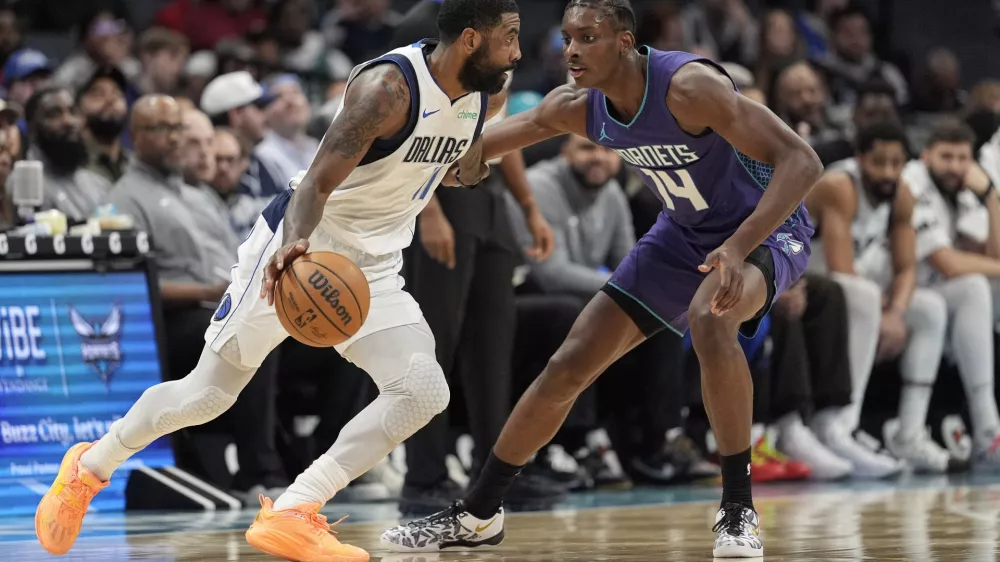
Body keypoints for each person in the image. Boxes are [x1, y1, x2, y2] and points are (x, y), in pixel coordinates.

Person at [35, 1, 521, 561]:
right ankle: (88, 467)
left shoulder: (489, 90)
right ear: (469, 39)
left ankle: (294, 510)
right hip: (305, 246)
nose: (518, 51)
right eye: (508, 37)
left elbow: (458, 154)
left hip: (377, 265)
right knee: (209, 395)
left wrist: (470, 161)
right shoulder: (389, 89)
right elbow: (314, 184)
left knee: (422, 392)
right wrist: (292, 247)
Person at [381, 0, 822, 557]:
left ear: (623, 42)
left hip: (763, 230)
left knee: (712, 321)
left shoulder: (689, 87)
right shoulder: (580, 107)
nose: (570, 50)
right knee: (569, 363)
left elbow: (803, 162)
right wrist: (423, 162)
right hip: (683, 234)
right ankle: (478, 513)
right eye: (566, 37)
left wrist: (737, 247)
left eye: (586, 37)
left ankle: (737, 509)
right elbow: (491, 139)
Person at [806, 122, 978, 474]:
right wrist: (881, 312)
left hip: (856, 293)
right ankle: (838, 426)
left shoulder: (902, 195)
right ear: (860, 159)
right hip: (806, 285)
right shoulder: (840, 186)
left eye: (896, 164)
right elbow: (840, 271)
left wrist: (896, 313)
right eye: (879, 163)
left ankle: (909, 432)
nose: (888, 173)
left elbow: (907, 270)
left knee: (928, 308)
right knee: (865, 294)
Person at [900, 121, 1000, 469]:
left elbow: (992, 255)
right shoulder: (913, 182)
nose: (955, 166)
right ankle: (983, 431)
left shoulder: (960, 189)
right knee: (962, 291)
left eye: (962, 158)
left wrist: (991, 197)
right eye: (946, 157)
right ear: (926, 155)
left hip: (930, 290)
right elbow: (949, 264)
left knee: (979, 288)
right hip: (892, 289)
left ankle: (989, 433)